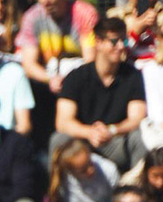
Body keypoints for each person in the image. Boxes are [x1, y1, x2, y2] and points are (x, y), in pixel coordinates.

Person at [53, 17, 147, 172]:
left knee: (139, 138)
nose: (120, 46)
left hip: (115, 141)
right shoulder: (76, 77)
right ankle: (56, 195)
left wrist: (111, 130)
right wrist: (89, 132)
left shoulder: (133, 76)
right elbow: (62, 122)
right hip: (81, 143)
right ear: (98, 42)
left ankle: (137, 192)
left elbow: (137, 119)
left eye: (123, 41)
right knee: (58, 139)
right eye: (114, 41)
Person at [16, 0, 98, 127]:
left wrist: (70, 81)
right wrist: (50, 78)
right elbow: (29, 64)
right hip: (48, 81)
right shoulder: (31, 18)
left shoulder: (84, 12)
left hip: (81, 80)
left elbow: (91, 60)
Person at [108, 0, 162, 66]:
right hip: (127, 75)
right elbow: (111, 55)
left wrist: (158, 33)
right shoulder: (116, 17)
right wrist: (135, 33)